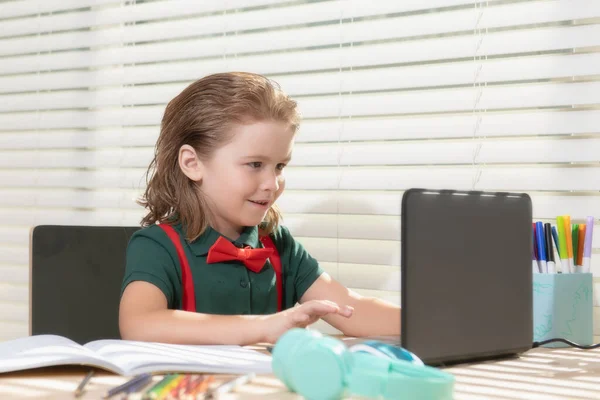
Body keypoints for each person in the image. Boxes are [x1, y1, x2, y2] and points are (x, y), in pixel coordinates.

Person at [119, 72, 400, 345]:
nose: (272, 183)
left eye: (280, 166)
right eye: (255, 164)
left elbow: (353, 309)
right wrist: (264, 327)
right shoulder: (157, 246)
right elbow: (140, 324)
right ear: (192, 163)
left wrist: (435, 321)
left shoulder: (279, 245)